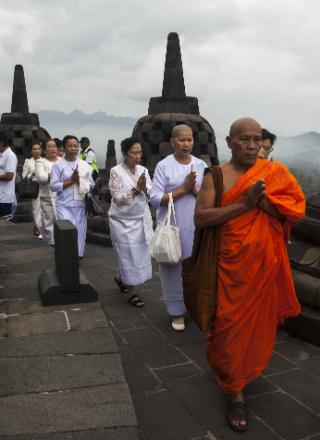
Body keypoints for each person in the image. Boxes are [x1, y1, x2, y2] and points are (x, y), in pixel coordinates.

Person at [195, 118, 306, 432]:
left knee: (255, 332)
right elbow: (202, 218)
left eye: (257, 139)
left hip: (265, 268)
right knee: (229, 328)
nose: (252, 145)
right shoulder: (216, 176)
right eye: (244, 139)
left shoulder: (275, 174)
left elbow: (295, 212)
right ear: (229, 142)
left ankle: (239, 375)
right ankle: (236, 393)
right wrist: (244, 205)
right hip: (229, 268)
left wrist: (265, 203)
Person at [149, 124, 208, 331]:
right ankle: (176, 311)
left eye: (190, 139)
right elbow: (155, 199)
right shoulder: (164, 166)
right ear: (172, 142)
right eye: (181, 140)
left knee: (195, 269)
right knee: (172, 268)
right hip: (172, 227)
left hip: (195, 225)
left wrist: (195, 190)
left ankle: (195, 306)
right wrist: (183, 190)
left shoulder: (200, 165)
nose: (186, 144)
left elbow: (207, 197)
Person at [108, 137, 153, 308]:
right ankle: (132, 293)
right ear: (125, 153)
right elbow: (118, 198)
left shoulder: (143, 170)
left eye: (140, 152)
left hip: (140, 218)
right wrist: (137, 189)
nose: (138, 156)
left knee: (139, 255)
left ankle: (121, 277)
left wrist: (147, 189)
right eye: (134, 153)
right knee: (127, 255)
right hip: (122, 220)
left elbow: (150, 191)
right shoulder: (116, 172)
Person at [50, 135, 94, 257]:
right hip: (64, 204)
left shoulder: (84, 165)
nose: (73, 148)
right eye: (70, 146)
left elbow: (92, 185)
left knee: (80, 231)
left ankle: (78, 255)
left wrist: (81, 182)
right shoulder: (58, 165)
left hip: (80, 204)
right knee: (66, 230)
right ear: (64, 148)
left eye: (75, 146)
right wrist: (71, 181)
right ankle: (67, 256)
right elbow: (53, 186)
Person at [35, 139, 60, 244]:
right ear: (44, 150)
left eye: (54, 146)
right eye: (49, 147)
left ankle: (61, 243)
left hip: (61, 196)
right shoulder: (40, 162)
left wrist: (50, 175)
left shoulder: (61, 161)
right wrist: (56, 174)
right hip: (47, 197)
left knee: (62, 222)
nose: (53, 148)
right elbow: (41, 178)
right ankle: (51, 244)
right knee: (49, 223)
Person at [23, 143, 45, 238]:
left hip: (44, 187)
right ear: (31, 151)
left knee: (44, 210)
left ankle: (37, 227)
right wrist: (31, 174)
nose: (36, 151)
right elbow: (24, 176)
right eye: (34, 149)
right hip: (34, 188)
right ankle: (39, 231)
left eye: (38, 149)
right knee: (36, 209)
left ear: (41, 150)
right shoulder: (28, 161)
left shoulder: (44, 161)